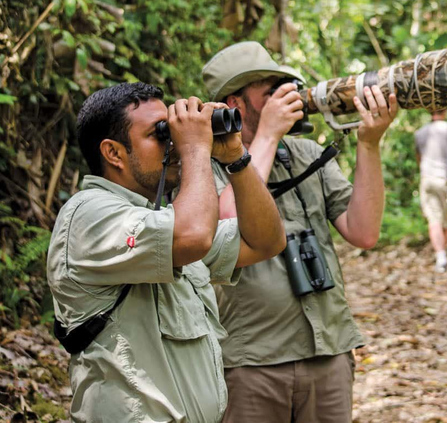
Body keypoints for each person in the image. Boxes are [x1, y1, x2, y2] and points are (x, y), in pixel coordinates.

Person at [47, 82, 285, 422]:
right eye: (161, 134)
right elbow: (194, 236)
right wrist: (195, 149)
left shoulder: (164, 220)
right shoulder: (88, 215)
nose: (172, 144)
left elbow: (265, 241)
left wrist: (236, 157)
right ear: (114, 153)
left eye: (172, 131)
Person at [202, 41, 398, 423]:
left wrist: (369, 144)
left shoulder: (307, 154)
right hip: (251, 361)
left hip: (328, 351)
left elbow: (363, 232)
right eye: (269, 92)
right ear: (235, 105)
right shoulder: (203, 165)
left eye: (284, 87)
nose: (284, 98)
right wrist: (268, 136)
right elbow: (227, 222)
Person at [414, 109, 447, 272]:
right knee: (445, 220)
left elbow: (419, 158)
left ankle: (441, 256)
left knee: (434, 219)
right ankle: (443, 253)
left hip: (429, 178)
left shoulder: (420, 133)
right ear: (446, 110)